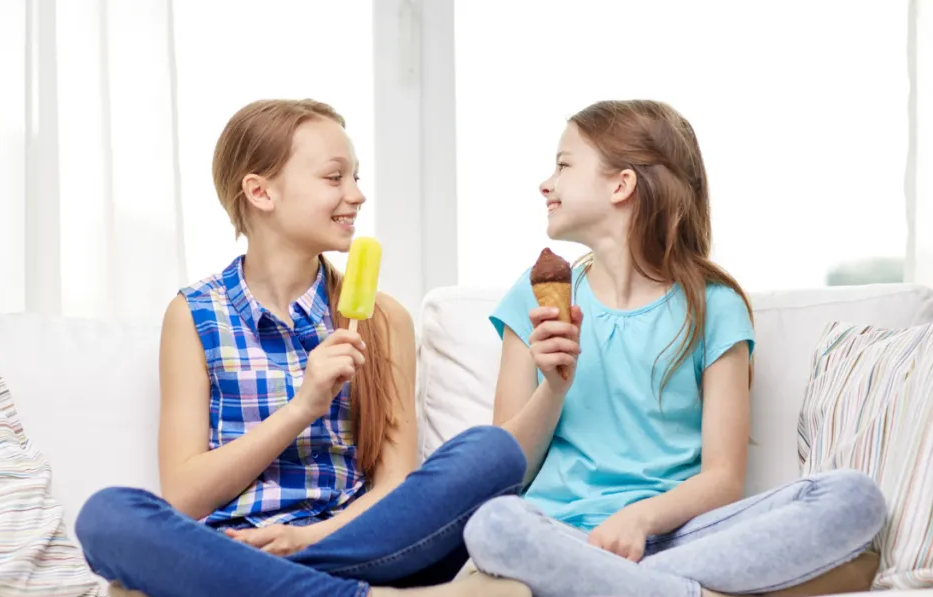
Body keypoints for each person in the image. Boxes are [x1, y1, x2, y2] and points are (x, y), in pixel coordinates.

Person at [74, 99, 532, 597]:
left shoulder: (382, 320)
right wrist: (302, 407)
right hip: (232, 544)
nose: (356, 195)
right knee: (107, 516)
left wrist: (305, 538)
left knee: (494, 452)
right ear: (261, 191)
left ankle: (268, 585)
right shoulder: (194, 316)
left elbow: (394, 485)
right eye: (335, 178)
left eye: (356, 177)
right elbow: (184, 496)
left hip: (354, 543)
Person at [459, 99, 889, 597]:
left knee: (854, 498)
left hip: (684, 537)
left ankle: (627, 587)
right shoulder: (533, 297)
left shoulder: (714, 306)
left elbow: (723, 478)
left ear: (621, 184)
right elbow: (506, 474)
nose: (546, 183)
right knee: (492, 523)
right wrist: (552, 390)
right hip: (565, 535)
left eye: (563, 165)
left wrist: (640, 518)